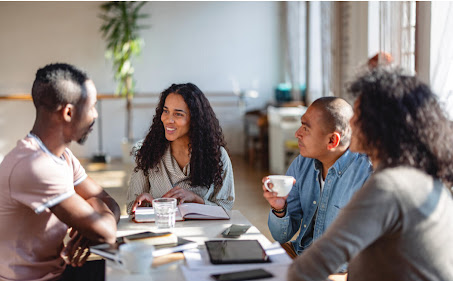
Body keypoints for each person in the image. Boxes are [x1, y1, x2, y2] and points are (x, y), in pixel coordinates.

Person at [288, 67, 453, 281]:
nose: (351, 122)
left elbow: (306, 271)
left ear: (381, 125)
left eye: (358, 115)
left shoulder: (389, 186)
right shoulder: (424, 179)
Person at [0, 63, 120, 281]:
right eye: (92, 107)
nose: (95, 115)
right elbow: (107, 232)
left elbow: (106, 200)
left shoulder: (61, 156)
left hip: (59, 272)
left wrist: (89, 228)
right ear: (68, 112)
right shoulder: (34, 166)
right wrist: (94, 224)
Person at [263, 97, 372, 259]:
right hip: (303, 253)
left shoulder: (366, 173)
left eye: (306, 129)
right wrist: (279, 208)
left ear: (332, 140)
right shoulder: (302, 163)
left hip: (340, 267)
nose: (297, 133)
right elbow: (281, 236)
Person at [127, 83, 234, 214]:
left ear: (195, 120)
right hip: (161, 230)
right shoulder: (147, 151)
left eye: (178, 114)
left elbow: (226, 207)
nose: (168, 119)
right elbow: (131, 207)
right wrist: (146, 205)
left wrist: (196, 199)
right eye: (165, 111)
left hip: (202, 231)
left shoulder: (217, 155)